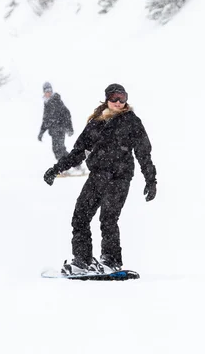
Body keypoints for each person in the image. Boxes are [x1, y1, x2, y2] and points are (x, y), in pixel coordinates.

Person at [43, 83, 157, 275]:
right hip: (98, 175)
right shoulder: (96, 122)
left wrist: (150, 180)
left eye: (123, 98)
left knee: (108, 218)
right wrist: (56, 169)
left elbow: (143, 152)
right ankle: (82, 261)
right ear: (107, 98)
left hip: (120, 177)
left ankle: (110, 260)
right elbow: (78, 152)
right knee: (80, 216)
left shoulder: (131, 121)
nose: (119, 102)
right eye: (115, 98)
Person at [38, 82, 74, 162]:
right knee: (57, 149)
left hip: (60, 129)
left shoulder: (56, 101)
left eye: (50, 90)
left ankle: (71, 166)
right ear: (44, 92)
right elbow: (46, 120)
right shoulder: (47, 103)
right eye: (46, 91)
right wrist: (41, 132)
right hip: (54, 131)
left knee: (59, 149)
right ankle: (70, 166)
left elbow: (67, 114)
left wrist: (69, 128)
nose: (48, 92)